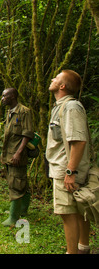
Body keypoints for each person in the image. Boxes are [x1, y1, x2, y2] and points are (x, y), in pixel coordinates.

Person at [46, 70, 91, 254]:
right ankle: (83, 248)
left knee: (68, 213)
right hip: (65, 168)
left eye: (56, 78)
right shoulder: (60, 106)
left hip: (66, 170)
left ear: (62, 86)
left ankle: (73, 251)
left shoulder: (71, 107)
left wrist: (70, 172)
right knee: (79, 210)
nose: (52, 79)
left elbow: (79, 141)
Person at [0, 88, 34, 226]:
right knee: (19, 181)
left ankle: (14, 218)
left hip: (17, 154)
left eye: (4, 96)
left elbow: (27, 134)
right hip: (8, 152)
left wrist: (18, 153)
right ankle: (22, 209)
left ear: (12, 96)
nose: (2, 99)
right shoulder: (10, 112)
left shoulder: (24, 111)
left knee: (16, 183)